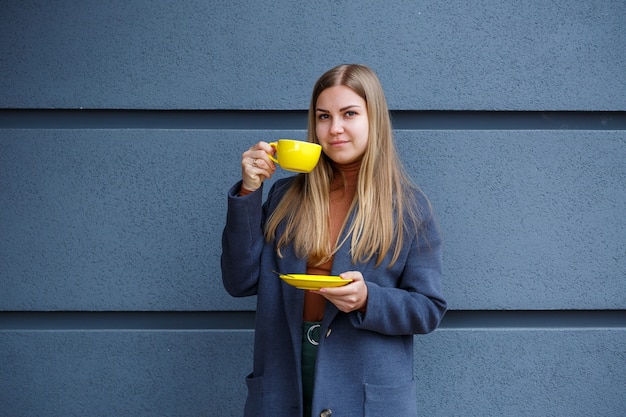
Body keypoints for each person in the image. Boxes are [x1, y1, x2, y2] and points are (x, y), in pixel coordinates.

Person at [221, 64, 447, 417]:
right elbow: (240, 281)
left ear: (375, 119)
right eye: (323, 116)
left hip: (363, 392)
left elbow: (429, 310)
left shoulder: (408, 208)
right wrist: (250, 191)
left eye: (350, 113)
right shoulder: (284, 197)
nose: (335, 128)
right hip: (285, 377)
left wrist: (367, 299)